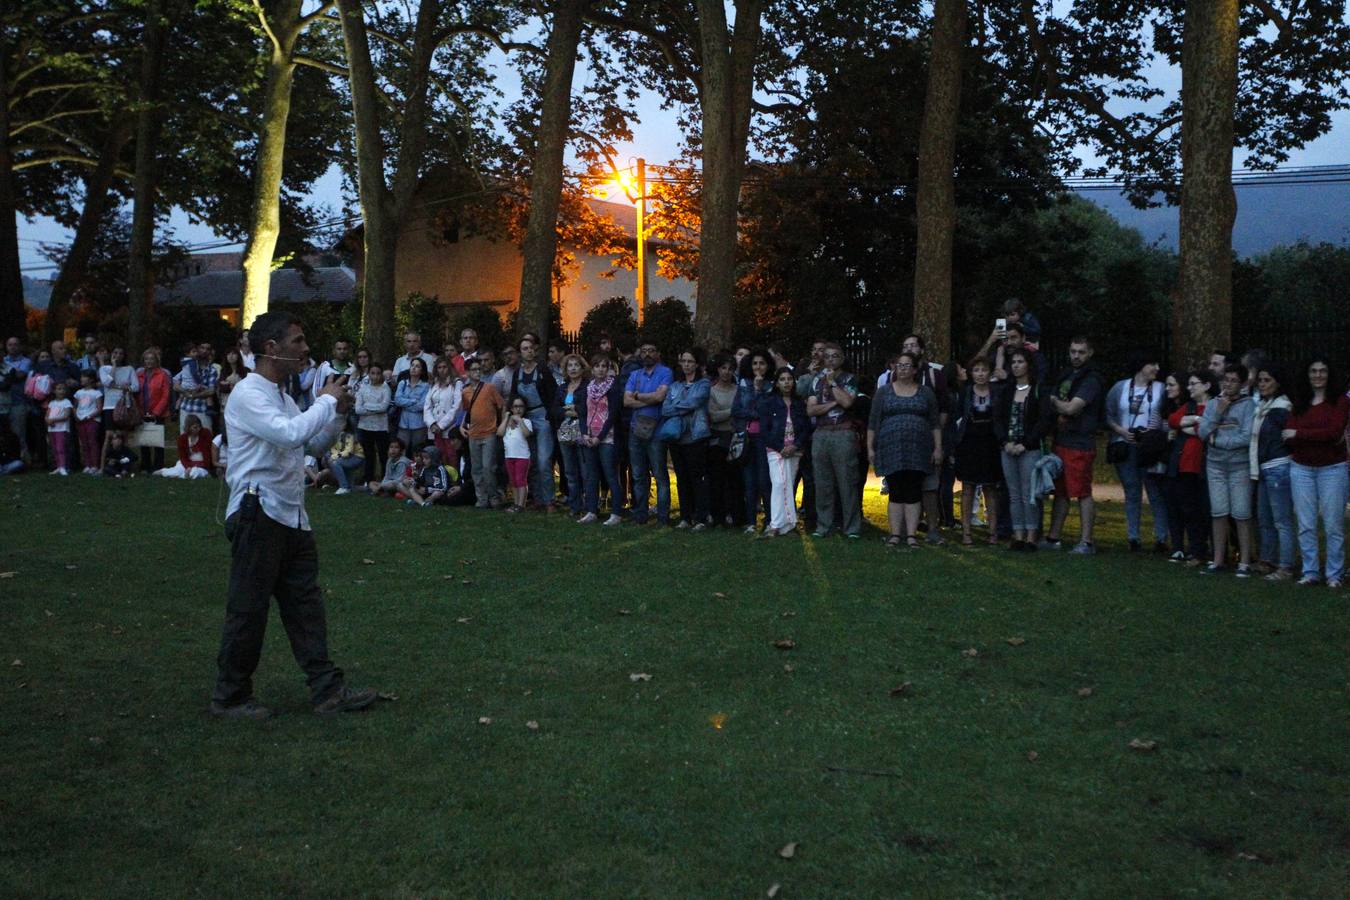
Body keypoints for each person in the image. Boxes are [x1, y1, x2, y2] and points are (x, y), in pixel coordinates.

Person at [211, 309, 377, 719]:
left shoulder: (282, 397)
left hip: (289, 515)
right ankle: (230, 696)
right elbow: (290, 434)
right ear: (272, 348)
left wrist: (337, 413)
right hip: (258, 512)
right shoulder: (249, 393)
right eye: (297, 341)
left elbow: (310, 444)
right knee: (248, 609)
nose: (305, 349)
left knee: (305, 608)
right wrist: (326, 400)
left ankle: (327, 690)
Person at [1284, 358, 1349, 588]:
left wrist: (1300, 434)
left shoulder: (1340, 402)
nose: (1318, 375)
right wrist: (1311, 435)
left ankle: (1334, 574)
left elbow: (1334, 432)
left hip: (1332, 469)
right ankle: (1310, 571)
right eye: (1313, 371)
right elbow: (1287, 435)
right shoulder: (1300, 401)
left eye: (1323, 371)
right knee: (1306, 524)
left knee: (1333, 524)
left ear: (1330, 374)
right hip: (1301, 468)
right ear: (1307, 374)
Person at [867, 352, 942, 548]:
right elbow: (873, 422)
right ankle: (894, 534)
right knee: (895, 490)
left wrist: (937, 448)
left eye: (907, 365)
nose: (902, 369)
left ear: (915, 369)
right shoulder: (884, 392)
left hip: (918, 449)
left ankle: (911, 535)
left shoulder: (926, 393)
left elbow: (935, 422)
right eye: (899, 365)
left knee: (913, 491)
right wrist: (870, 447)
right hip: (891, 448)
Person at [1042, 337, 1105, 554]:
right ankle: (1053, 537)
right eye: (1073, 351)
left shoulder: (1092, 379)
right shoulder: (1067, 374)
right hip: (1061, 440)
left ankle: (1086, 541)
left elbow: (1072, 408)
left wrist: (1053, 402)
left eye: (1081, 352)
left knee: (1082, 491)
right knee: (1061, 491)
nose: (1076, 356)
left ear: (1090, 353)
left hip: (1080, 442)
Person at [1106, 353, 1169, 552]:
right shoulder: (1120, 387)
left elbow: (1166, 415)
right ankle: (1133, 537)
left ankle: (1161, 537)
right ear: (1141, 365)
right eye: (1152, 363)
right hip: (1125, 445)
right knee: (1132, 490)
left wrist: (1151, 434)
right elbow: (1109, 414)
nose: (1156, 368)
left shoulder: (1161, 388)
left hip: (1151, 448)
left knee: (1155, 492)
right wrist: (1121, 431)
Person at [1198, 364, 1256, 577]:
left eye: (1233, 381)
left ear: (1242, 384)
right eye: (1226, 380)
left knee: (1241, 513)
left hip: (1239, 465)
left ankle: (1245, 562)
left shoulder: (1248, 405)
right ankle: (1218, 560)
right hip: (1215, 465)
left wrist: (1219, 442)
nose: (1228, 384)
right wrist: (1218, 413)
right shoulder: (1214, 403)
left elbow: (1246, 436)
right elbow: (1203, 432)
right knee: (1218, 511)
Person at [802, 343, 862, 539]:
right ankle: (824, 526)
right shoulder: (816, 380)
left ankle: (851, 527)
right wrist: (835, 402)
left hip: (843, 433)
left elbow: (847, 402)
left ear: (842, 359)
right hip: (821, 434)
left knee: (847, 481)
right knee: (822, 482)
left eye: (835, 356)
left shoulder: (849, 378)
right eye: (827, 356)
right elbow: (811, 410)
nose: (830, 359)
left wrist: (833, 384)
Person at [993, 348, 1050, 550]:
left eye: (1020, 362)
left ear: (1029, 365)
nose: (1016, 365)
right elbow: (998, 419)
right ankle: (1018, 534)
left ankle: (1031, 536)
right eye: (1014, 362)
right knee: (1014, 493)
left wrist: (1025, 443)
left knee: (1029, 493)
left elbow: (1043, 421)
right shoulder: (1007, 391)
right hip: (1008, 448)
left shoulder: (1038, 390)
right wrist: (1005, 442)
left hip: (1029, 449)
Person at [1250, 363, 1295, 581]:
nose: (1262, 384)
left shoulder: (1281, 408)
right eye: (1259, 380)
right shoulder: (1263, 406)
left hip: (1277, 466)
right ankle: (1267, 559)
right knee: (1264, 518)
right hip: (1263, 467)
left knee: (1281, 520)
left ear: (1278, 383)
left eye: (1267, 380)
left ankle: (1285, 565)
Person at [1164, 372, 1213, 564]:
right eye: (1189, 384)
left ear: (1207, 385)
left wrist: (1191, 425)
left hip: (1204, 465)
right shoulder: (1189, 406)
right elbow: (1173, 420)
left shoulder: (1214, 405)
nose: (1189, 387)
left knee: (1205, 509)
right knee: (1188, 509)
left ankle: (1208, 550)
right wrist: (1196, 420)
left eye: (1194, 384)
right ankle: (1195, 549)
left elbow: (1207, 430)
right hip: (1184, 465)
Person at [954, 356, 1003, 545]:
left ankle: (993, 532)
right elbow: (958, 416)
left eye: (984, 370)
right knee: (968, 488)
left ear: (989, 372)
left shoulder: (997, 392)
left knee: (990, 489)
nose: (980, 374)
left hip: (990, 443)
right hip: (969, 444)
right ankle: (966, 532)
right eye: (976, 370)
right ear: (971, 373)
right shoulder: (966, 393)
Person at [624, 341, 674, 525]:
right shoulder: (634, 374)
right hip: (636, 429)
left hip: (657, 431)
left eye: (651, 351)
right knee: (638, 475)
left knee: (660, 475)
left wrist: (637, 396)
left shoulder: (665, 372)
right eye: (644, 351)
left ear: (658, 353)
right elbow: (626, 401)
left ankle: (663, 516)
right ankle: (640, 515)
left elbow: (660, 397)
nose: (647, 354)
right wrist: (650, 399)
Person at [758, 367, 811, 537]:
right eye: (782, 379)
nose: (786, 382)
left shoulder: (799, 403)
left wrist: (795, 445)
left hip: (794, 449)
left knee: (787, 484)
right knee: (779, 483)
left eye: (789, 379)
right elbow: (764, 430)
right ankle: (778, 524)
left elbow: (805, 428)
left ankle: (785, 525)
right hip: (776, 449)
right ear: (777, 383)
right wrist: (780, 447)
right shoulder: (770, 402)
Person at [664, 348, 713, 530]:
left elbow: (695, 402)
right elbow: (665, 409)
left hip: (696, 436)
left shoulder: (703, 384)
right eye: (683, 361)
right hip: (677, 438)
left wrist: (676, 406)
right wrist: (682, 407)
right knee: (682, 478)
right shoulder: (675, 386)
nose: (686, 365)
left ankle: (701, 517)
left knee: (697, 478)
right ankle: (685, 516)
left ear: (697, 364)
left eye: (690, 361)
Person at [510, 336, 557, 508]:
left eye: (531, 348)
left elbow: (553, 395)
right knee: (531, 460)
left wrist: (551, 416)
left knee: (544, 461)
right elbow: (514, 395)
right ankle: (537, 498)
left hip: (543, 417)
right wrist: (512, 416)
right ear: (520, 353)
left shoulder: (543, 370)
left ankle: (549, 500)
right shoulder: (518, 373)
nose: (529, 351)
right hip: (525, 419)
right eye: (525, 348)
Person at [579, 354, 625, 525]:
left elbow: (613, 415)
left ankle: (616, 513)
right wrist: (584, 433)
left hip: (607, 437)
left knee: (610, 474)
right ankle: (591, 510)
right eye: (597, 366)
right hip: (589, 436)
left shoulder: (613, 388)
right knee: (591, 476)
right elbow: (583, 412)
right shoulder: (588, 387)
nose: (600, 369)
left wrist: (600, 437)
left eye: (604, 366)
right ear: (592, 369)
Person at [734, 350, 773, 534]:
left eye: (762, 363)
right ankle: (750, 522)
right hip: (747, 438)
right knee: (749, 482)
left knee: (765, 481)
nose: (758, 367)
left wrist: (758, 391)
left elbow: (768, 412)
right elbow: (737, 410)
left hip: (764, 439)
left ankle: (770, 520)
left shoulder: (772, 386)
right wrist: (754, 409)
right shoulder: (743, 384)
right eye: (755, 363)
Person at [460, 358, 505, 509]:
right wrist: (462, 426)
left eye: (479, 369)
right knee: (476, 469)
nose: (477, 372)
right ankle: (481, 498)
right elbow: (467, 412)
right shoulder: (465, 391)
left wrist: (502, 424)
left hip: (489, 432)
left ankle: (494, 496)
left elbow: (501, 405)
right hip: (473, 434)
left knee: (488, 467)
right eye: (474, 369)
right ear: (467, 372)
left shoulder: (489, 388)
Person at [706, 353, 744, 529]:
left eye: (730, 369)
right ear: (718, 369)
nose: (726, 372)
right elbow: (713, 416)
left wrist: (730, 413)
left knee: (735, 480)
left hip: (735, 438)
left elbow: (742, 413)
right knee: (717, 479)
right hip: (717, 439)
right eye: (723, 368)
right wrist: (733, 411)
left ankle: (735, 515)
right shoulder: (712, 391)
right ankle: (718, 516)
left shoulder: (738, 390)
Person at [552, 353, 589, 517]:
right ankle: (575, 506)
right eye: (570, 366)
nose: (573, 368)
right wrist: (568, 411)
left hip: (582, 432)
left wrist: (577, 410)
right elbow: (554, 409)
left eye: (576, 365)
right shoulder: (562, 388)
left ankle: (589, 506)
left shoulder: (587, 386)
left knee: (585, 471)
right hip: (565, 433)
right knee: (569, 472)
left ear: (582, 368)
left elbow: (589, 408)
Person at [355, 363, 391, 483]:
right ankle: (368, 479)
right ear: (369, 374)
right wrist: (374, 409)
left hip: (381, 427)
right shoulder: (363, 388)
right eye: (372, 373)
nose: (375, 376)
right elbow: (358, 409)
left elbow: (383, 407)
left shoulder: (385, 389)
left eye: (378, 373)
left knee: (382, 454)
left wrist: (367, 406)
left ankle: (385, 479)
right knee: (368, 454)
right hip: (364, 426)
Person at [424, 357, 464, 469]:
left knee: (452, 456)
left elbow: (457, 406)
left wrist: (441, 425)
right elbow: (427, 406)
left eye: (444, 367)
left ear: (450, 368)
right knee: (440, 456)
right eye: (439, 367)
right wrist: (432, 423)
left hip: (450, 427)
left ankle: (454, 478)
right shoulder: (434, 384)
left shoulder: (457, 383)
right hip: (435, 428)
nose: (442, 370)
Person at [137, 348, 172, 473]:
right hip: (142, 411)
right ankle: (145, 466)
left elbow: (165, 395)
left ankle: (158, 467)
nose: (149, 361)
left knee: (157, 441)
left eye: (152, 359)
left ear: (156, 361)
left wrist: (156, 412)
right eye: (146, 359)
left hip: (158, 412)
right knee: (144, 441)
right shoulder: (139, 375)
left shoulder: (163, 375)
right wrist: (139, 411)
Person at [174, 343, 219, 433]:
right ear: (197, 349)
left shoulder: (212, 370)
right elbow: (175, 386)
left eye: (208, 349)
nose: (205, 351)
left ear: (210, 352)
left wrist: (193, 395)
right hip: (186, 408)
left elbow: (211, 391)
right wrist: (186, 392)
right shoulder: (187, 366)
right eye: (202, 348)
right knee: (186, 438)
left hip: (202, 410)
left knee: (205, 438)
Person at [499, 397, 534, 512]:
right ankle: (515, 502)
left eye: (521, 406)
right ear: (511, 408)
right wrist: (506, 418)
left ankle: (521, 504)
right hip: (509, 456)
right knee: (513, 480)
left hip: (522, 456)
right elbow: (499, 433)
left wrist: (520, 421)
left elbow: (527, 434)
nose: (518, 409)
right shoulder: (507, 423)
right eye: (515, 406)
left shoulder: (526, 421)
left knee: (520, 480)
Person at [157, 414, 214, 479]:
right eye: (195, 427)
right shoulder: (182, 439)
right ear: (188, 427)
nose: (198, 429)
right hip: (188, 462)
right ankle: (163, 471)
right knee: (177, 471)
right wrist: (188, 467)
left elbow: (208, 454)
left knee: (195, 472)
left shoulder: (205, 433)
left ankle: (182, 476)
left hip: (202, 464)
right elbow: (183, 457)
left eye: (199, 426)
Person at [3, 336, 31, 462]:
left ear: (20, 346)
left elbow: (19, 375)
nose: (13, 347)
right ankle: (8, 460)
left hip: (18, 402)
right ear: (6, 347)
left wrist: (6, 373)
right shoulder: (3, 360)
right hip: (3, 403)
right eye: (10, 345)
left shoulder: (26, 361)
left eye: (15, 344)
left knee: (19, 433)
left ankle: (23, 460)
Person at [393, 357, 430, 450]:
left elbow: (421, 406)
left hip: (419, 424)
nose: (413, 368)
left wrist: (405, 404)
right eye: (412, 365)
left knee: (417, 451)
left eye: (417, 366)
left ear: (422, 371)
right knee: (401, 449)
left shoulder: (426, 386)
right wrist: (413, 401)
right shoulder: (402, 383)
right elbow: (397, 400)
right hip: (403, 423)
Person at [73, 369, 103, 475]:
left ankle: (95, 465)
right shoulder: (78, 393)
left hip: (92, 420)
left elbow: (99, 408)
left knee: (92, 442)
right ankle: (87, 464)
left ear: (91, 379)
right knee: (84, 443)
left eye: (84, 377)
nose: (81, 379)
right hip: (80, 421)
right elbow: (75, 406)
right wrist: (76, 416)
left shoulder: (97, 393)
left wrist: (89, 416)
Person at [45, 381, 74, 475]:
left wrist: (53, 420)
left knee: (60, 448)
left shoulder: (67, 402)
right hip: (52, 429)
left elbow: (66, 415)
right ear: (54, 391)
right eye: (59, 389)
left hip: (62, 429)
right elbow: (47, 415)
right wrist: (48, 420)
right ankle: (58, 466)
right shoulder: (51, 403)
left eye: (63, 389)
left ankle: (63, 467)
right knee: (54, 448)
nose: (61, 391)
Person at [325, 429, 365, 495]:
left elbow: (349, 452)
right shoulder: (336, 435)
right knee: (351, 488)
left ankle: (343, 487)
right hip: (347, 457)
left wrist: (334, 457)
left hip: (357, 457)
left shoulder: (349, 434)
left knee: (335, 463)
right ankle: (365, 487)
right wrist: (333, 456)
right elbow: (334, 449)